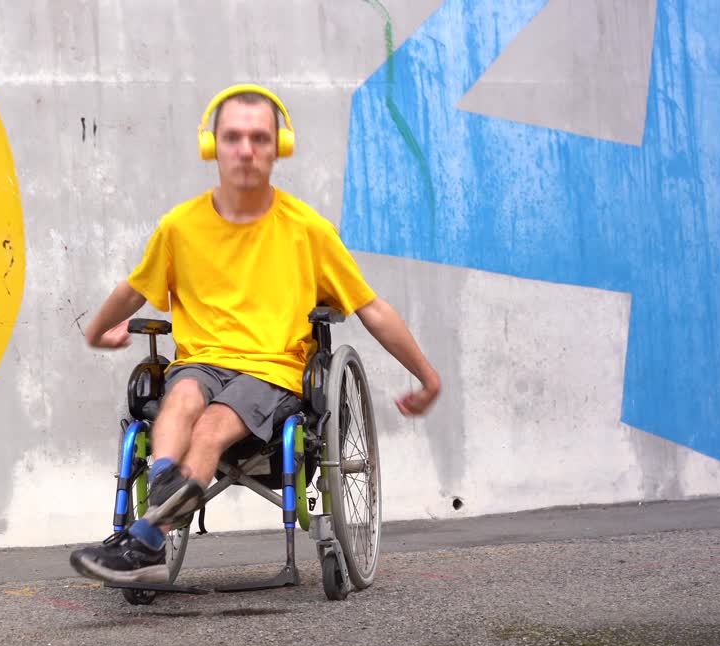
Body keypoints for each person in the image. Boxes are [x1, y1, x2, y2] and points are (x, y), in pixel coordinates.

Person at [69, 84, 441, 584]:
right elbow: (134, 289)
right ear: (212, 146)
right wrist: (94, 333)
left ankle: (147, 540)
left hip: (271, 370)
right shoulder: (180, 228)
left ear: (278, 147)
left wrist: (427, 377)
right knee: (179, 397)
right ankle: (164, 497)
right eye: (234, 137)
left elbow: (371, 307)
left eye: (260, 138)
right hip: (199, 363)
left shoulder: (307, 230)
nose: (246, 150)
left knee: (211, 425)